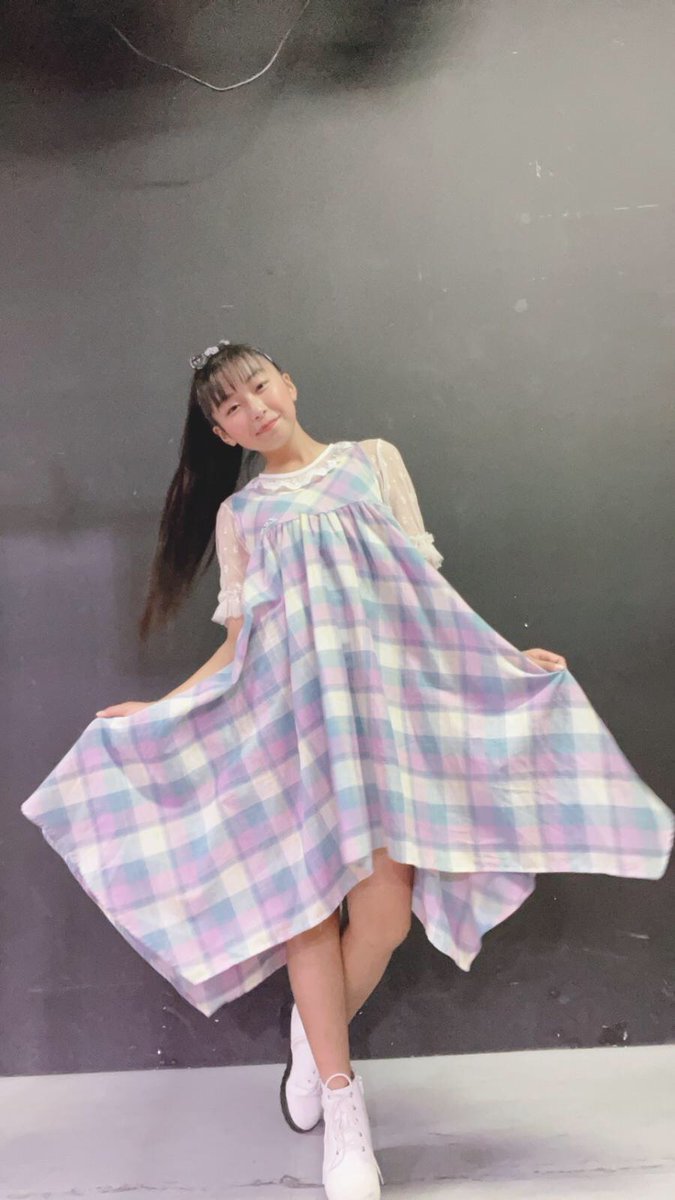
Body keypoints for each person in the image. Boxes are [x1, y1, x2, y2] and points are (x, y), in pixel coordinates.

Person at [22, 341, 674, 1200]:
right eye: (230, 407)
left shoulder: (372, 462)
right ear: (222, 433)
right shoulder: (243, 515)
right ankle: (342, 1105)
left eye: (258, 387)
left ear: (287, 384)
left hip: (380, 727)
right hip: (287, 728)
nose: (253, 408)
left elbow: (423, 595)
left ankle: (312, 1034)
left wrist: (504, 660)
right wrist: (161, 708)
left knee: (384, 917)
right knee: (305, 914)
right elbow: (240, 645)